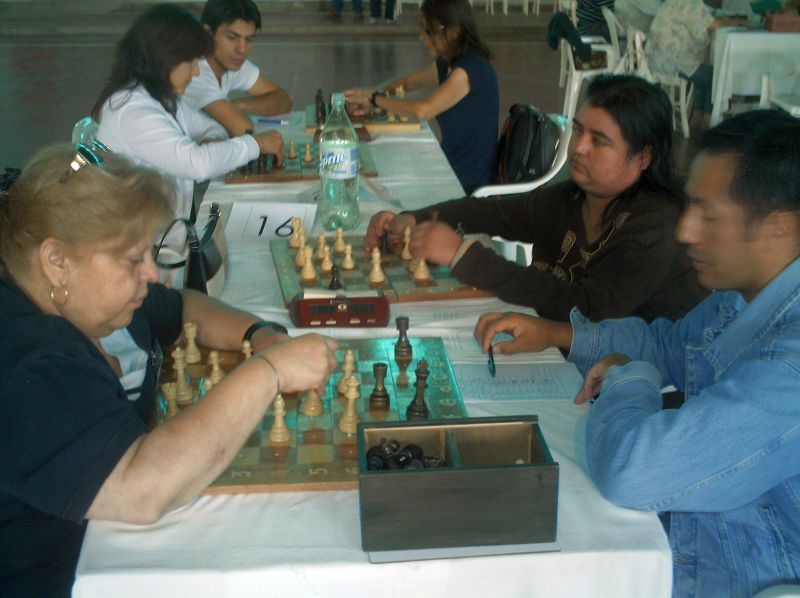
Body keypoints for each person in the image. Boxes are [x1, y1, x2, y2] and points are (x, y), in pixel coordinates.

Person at [474, 110, 800, 596]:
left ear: (778, 227)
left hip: (734, 570)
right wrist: (558, 334)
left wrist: (630, 377)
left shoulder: (790, 368)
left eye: (708, 215)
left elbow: (635, 470)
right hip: (693, 524)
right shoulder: (744, 295)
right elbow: (669, 345)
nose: (685, 231)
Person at [0, 144, 339, 597]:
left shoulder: (87, 297)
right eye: (132, 260)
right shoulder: (27, 360)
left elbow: (181, 308)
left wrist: (257, 333)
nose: (153, 273)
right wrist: (269, 372)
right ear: (57, 261)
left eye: (150, 253)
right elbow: (140, 489)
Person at [366, 75, 706, 323]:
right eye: (578, 130)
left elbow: (586, 309)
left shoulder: (656, 227)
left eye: (599, 141)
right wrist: (413, 218)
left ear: (643, 157)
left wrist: (463, 255)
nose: (579, 147)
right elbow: (489, 214)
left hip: (625, 382)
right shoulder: (573, 197)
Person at [92, 3, 284, 225]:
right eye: (191, 62)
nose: (196, 71)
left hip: (167, 230)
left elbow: (212, 128)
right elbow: (197, 164)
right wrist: (256, 144)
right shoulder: (132, 111)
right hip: (139, 236)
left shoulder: (162, 96)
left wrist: (212, 143)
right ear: (165, 57)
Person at [344, 0, 499, 195]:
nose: (422, 37)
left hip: (466, 181)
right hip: (451, 165)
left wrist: (374, 99)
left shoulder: (469, 70)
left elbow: (423, 110)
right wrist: (369, 94)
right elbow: (406, 83)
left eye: (428, 30)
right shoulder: (449, 62)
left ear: (454, 31)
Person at [183, 0, 292, 137]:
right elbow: (243, 129)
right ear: (208, 33)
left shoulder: (231, 61)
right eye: (232, 37)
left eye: (249, 39)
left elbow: (283, 100)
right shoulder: (193, 72)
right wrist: (232, 112)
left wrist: (238, 106)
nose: (242, 49)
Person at [645, 0, 747, 129]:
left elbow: (706, 22)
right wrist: (733, 22)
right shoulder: (692, 5)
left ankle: (697, 117)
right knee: (716, 77)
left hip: (658, 60)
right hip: (674, 63)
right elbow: (717, 25)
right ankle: (708, 122)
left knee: (704, 72)